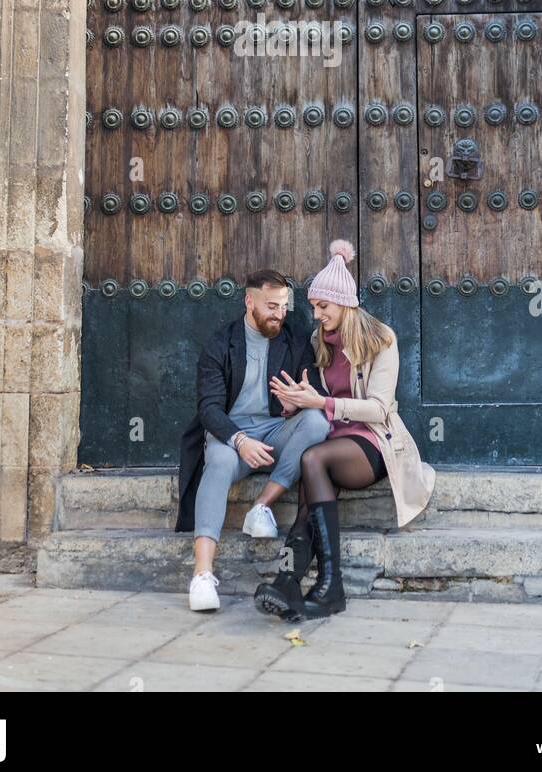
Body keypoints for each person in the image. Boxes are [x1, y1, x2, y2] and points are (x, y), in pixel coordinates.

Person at [254, 240, 436, 620]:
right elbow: (315, 396)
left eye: (324, 306)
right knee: (308, 485)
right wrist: (294, 404)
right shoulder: (320, 342)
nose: (316, 315)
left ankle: (330, 586)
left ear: (346, 304)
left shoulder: (381, 339)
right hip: (334, 441)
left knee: (312, 458)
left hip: (372, 444)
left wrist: (321, 404)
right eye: (314, 306)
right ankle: (290, 580)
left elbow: (378, 408)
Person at [175, 268, 330, 612]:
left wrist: (297, 402)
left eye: (284, 306)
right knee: (217, 461)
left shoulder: (295, 338)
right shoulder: (221, 343)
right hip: (233, 436)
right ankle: (202, 574)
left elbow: (314, 390)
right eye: (271, 306)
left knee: (316, 423)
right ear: (249, 301)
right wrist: (239, 439)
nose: (279, 314)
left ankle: (261, 506)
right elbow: (209, 409)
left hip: (277, 433)